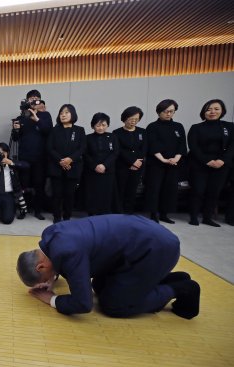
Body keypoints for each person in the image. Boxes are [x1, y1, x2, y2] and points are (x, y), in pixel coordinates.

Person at [16, 214, 200, 319]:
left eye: (44, 278)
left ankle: (182, 288)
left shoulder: (68, 251)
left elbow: (84, 303)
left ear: (40, 266)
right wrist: (52, 278)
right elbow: (65, 264)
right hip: (143, 239)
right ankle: (173, 278)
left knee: (114, 305)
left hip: (156, 250)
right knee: (100, 286)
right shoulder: (50, 236)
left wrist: (51, 299)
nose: (48, 281)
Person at [187, 99, 234, 227]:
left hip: (221, 165)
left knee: (214, 192)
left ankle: (208, 217)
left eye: (216, 109)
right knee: (198, 191)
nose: (212, 111)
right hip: (200, 164)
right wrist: (207, 161)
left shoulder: (229, 127)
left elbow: (232, 147)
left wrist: (222, 160)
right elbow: (193, 146)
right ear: (204, 112)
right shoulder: (196, 128)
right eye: (209, 109)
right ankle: (193, 216)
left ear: (222, 111)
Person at [11, 90, 54, 220]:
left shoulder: (45, 115)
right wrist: (16, 130)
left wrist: (37, 119)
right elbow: (15, 138)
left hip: (40, 157)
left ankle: (38, 211)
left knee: (39, 185)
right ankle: (24, 209)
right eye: (31, 98)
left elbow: (49, 132)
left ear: (40, 101)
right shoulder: (21, 117)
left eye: (37, 98)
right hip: (24, 157)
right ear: (27, 101)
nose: (34, 100)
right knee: (23, 185)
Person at [144, 99, 187, 224]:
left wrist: (176, 158)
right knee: (154, 189)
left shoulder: (178, 126)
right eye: (165, 111)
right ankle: (153, 214)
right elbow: (152, 145)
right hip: (156, 163)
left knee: (169, 190)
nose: (168, 114)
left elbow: (182, 145)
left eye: (171, 111)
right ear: (158, 112)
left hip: (174, 163)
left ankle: (164, 214)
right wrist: (163, 159)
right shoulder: (152, 126)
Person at [47, 104, 86, 223]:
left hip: (73, 167)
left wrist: (70, 159)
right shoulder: (54, 129)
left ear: (73, 114)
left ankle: (67, 216)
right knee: (57, 194)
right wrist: (61, 161)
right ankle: (57, 216)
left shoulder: (79, 130)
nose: (63, 115)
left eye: (66, 112)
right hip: (56, 166)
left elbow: (82, 148)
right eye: (61, 113)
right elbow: (49, 148)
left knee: (70, 194)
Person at [0, 143, 28, 223]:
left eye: (4, 153)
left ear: (8, 153)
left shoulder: (11, 163)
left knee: (7, 220)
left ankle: (7, 208)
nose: (1, 155)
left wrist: (10, 162)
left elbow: (26, 166)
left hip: (8, 194)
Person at [113, 106, 147, 214]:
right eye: (131, 119)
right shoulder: (117, 132)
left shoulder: (142, 132)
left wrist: (138, 162)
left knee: (132, 190)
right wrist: (132, 161)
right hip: (122, 166)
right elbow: (119, 150)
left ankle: (129, 212)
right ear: (125, 118)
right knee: (120, 190)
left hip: (138, 166)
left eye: (136, 119)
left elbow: (144, 148)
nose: (133, 121)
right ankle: (119, 212)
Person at [84, 112, 119, 215]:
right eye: (98, 125)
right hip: (92, 171)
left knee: (106, 193)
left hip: (108, 171)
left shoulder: (112, 137)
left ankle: (104, 214)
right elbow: (85, 154)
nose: (100, 128)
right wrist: (95, 166)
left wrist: (104, 165)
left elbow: (115, 152)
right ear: (93, 125)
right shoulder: (87, 138)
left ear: (107, 125)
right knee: (92, 193)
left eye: (103, 125)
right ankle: (92, 213)